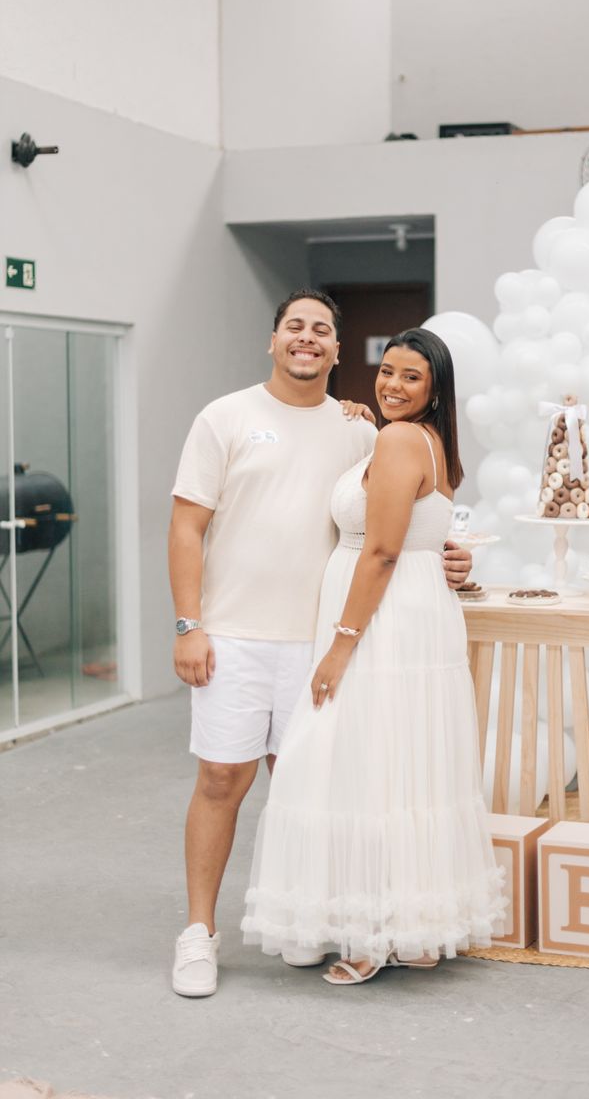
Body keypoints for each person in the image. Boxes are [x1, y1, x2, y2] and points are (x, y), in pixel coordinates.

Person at [168, 291, 471, 997]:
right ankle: (198, 933)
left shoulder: (363, 430)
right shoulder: (225, 417)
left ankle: (312, 917)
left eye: (322, 330)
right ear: (273, 339)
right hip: (235, 636)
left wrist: (452, 557)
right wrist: (188, 624)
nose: (307, 338)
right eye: (295, 327)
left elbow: (405, 522)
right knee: (221, 781)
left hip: (324, 640)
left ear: (337, 350)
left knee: (317, 784)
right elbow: (185, 526)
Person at [242, 328, 505, 984]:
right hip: (415, 615)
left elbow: (382, 552)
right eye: (387, 371)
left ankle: (370, 934)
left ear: (435, 388)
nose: (392, 384)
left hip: (380, 623)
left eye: (411, 376)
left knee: (361, 763)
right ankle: (413, 928)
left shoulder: (398, 440)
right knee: (404, 764)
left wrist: (340, 645)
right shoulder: (427, 441)